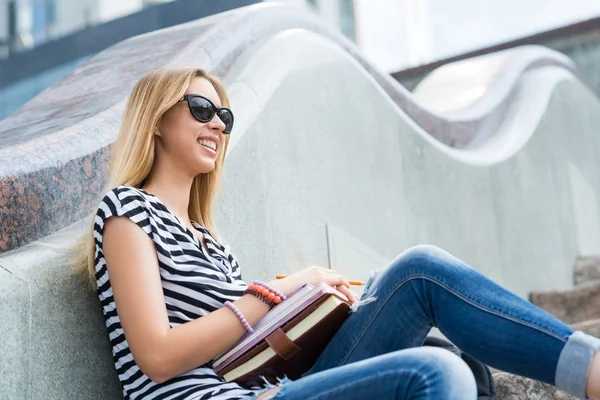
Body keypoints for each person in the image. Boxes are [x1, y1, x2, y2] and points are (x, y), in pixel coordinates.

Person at [73, 67, 600, 400]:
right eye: (202, 109)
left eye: (225, 117)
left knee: (415, 271)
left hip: (266, 385)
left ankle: (591, 369)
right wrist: (271, 294)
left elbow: (241, 349)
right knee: (439, 375)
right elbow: (158, 356)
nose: (217, 125)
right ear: (157, 121)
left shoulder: (211, 240)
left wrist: (315, 305)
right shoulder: (126, 212)